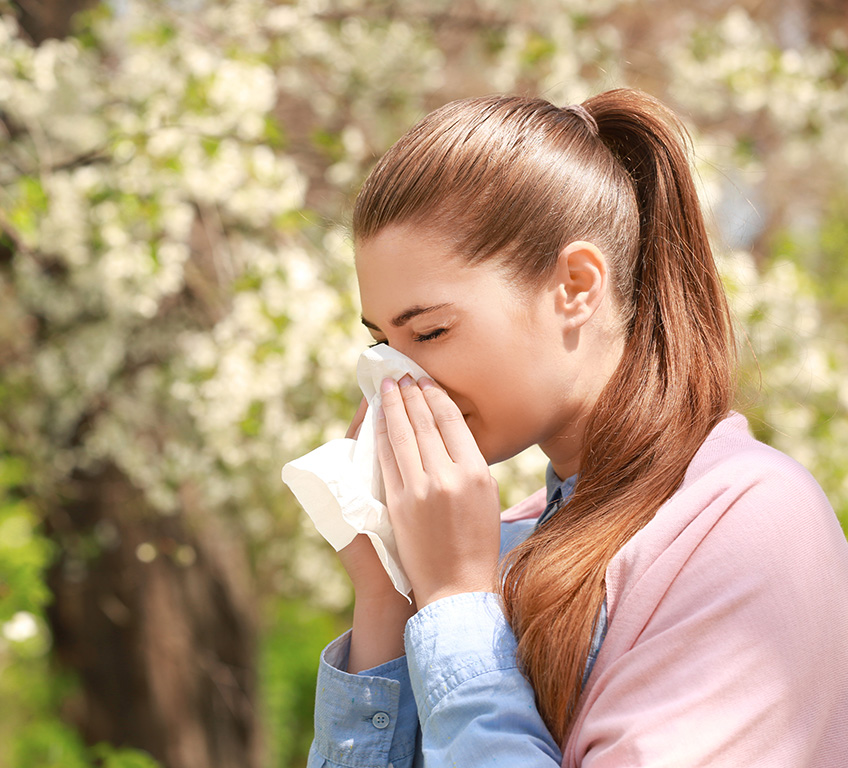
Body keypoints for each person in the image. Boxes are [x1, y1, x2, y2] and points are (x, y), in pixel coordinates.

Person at [305, 88, 848, 767]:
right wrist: (389, 595)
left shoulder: (745, 522)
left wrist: (454, 603)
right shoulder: (500, 543)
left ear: (576, 286)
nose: (398, 381)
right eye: (382, 343)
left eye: (430, 331)